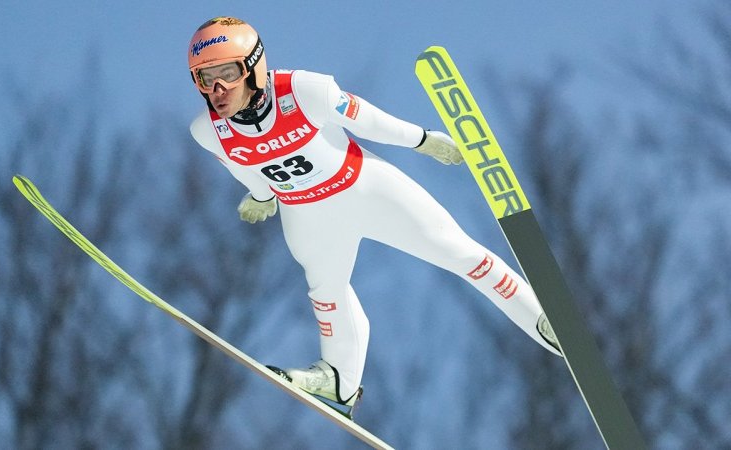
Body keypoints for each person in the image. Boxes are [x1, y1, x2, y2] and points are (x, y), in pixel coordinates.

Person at [187, 16, 560, 416]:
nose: (217, 89)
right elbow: (241, 165)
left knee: (457, 252)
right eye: (204, 78)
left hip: (365, 188)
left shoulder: (302, 89)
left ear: (254, 67)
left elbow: (364, 119)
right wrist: (261, 195)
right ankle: (339, 381)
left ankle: (541, 317)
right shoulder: (207, 130)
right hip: (307, 213)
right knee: (327, 293)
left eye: (227, 72)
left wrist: (421, 140)